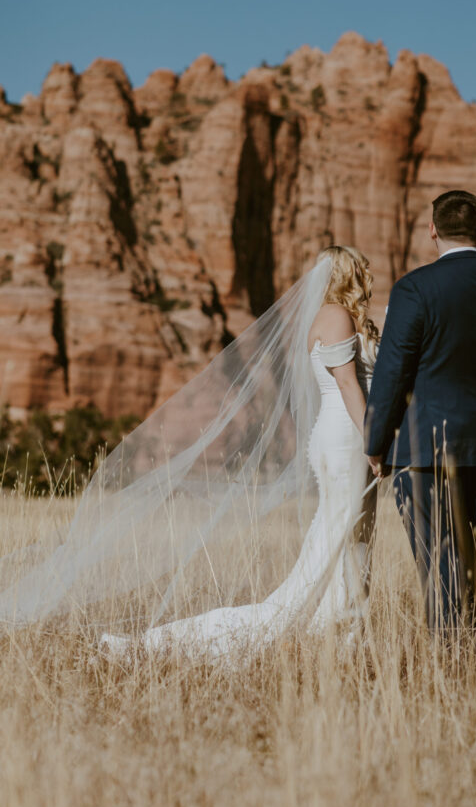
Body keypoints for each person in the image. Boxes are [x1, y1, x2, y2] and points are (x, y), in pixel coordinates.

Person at [99, 246, 379, 658]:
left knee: (351, 541)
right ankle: (165, 645)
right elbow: (348, 385)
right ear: (349, 273)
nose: (369, 273)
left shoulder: (341, 317)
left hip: (345, 435)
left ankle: (341, 642)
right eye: (363, 267)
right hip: (347, 438)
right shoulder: (336, 316)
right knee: (332, 543)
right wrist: (375, 443)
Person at [365, 190, 476, 632]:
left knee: (441, 565)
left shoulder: (414, 288)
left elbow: (392, 373)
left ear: (432, 230)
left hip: (424, 449)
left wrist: (376, 442)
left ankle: (454, 671)